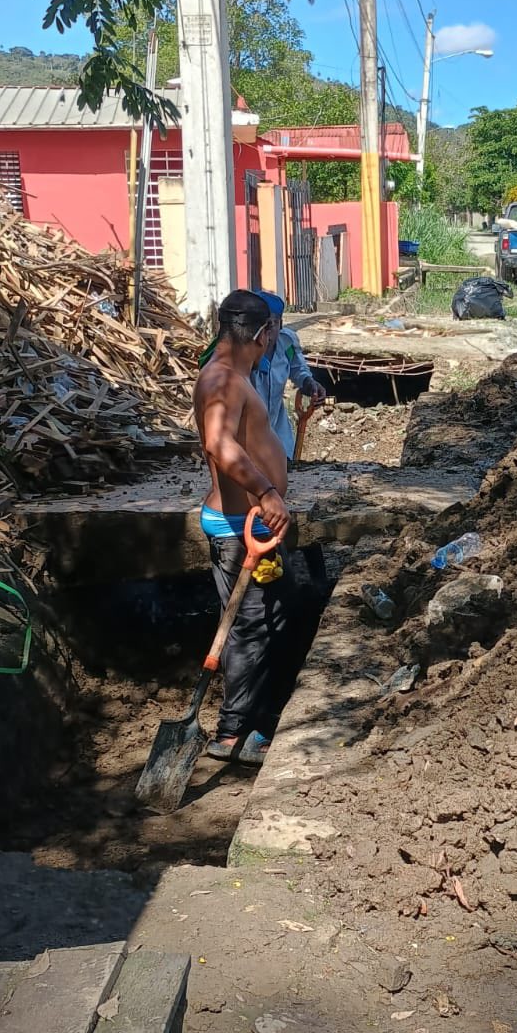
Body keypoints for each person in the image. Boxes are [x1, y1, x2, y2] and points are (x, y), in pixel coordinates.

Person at [194, 289, 295, 765]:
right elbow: (218, 444)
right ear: (262, 333)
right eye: (268, 339)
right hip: (241, 526)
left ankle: (246, 727)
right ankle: (236, 732)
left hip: (245, 523)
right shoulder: (221, 381)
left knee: (261, 622)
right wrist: (267, 491)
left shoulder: (231, 375)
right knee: (252, 627)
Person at [248, 289, 327, 462]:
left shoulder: (287, 344)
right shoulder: (244, 352)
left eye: (272, 324)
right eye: (262, 325)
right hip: (248, 432)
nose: (267, 331)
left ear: (281, 324)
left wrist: (309, 383)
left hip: (277, 429)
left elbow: (298, 369)